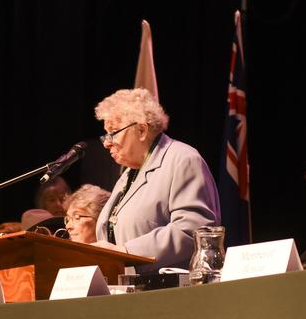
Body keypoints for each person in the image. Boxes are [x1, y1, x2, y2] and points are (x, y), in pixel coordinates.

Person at [92, 88, 219, 269]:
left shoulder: (183, 159)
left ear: (142, 130)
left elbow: (193, 230)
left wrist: (126, 252)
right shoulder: (128, 174)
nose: (106, 142)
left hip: (170, 291)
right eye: (106, 134)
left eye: (113, 132)